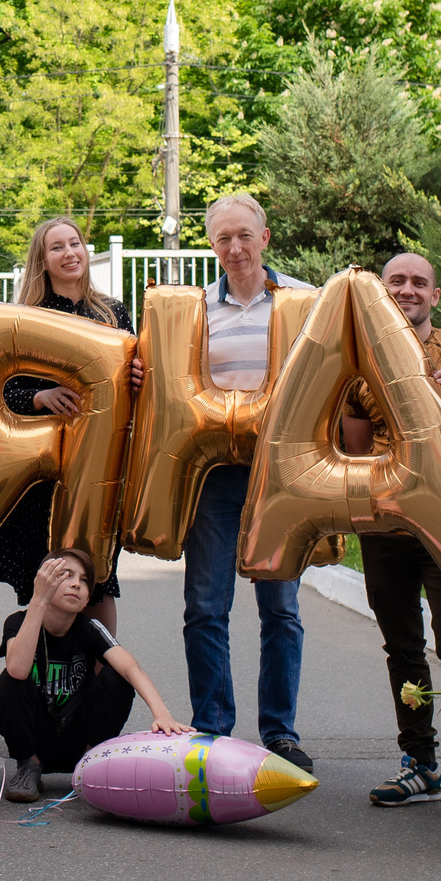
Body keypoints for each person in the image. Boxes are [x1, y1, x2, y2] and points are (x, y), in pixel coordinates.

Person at [126, 193, 315, 770]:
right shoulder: (195, 310)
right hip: (215, 474)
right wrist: (141, 370)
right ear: (211, 245)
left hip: (281, 476)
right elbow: (164, 378)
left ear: (264, 237)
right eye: (222, 238)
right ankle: (213, 727)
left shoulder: (302, 302)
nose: (234, 248)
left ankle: (280, 732)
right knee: (206, 606)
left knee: (280, 609)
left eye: (243, 236)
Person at [339, 251, 441, 820]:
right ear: (382, 293)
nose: (407, 289)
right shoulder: (359, 365)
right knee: (402, 646)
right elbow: (355, 453)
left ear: (435, 295)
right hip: (386, 524)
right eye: (396, 281)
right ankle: (420, 764)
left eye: (418, 283)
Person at [0, 217, 132, 629]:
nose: (69, 253)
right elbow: (0, 389)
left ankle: (101, 681)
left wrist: (138, 378)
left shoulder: (113, 312)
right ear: (42, 260)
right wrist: (40, 397)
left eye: (74, 243)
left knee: (97, 576)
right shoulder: (27, 317)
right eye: (56, 247)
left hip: (98, 466)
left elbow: (137, 380)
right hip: (44, 471)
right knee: (47, 576)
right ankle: (48, 683)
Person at [0, 548, 187, 802]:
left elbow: (131, 668)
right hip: (37, 736)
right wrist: (39, 601)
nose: (76, 583)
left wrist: (162, 714)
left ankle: (91, 765)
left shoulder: (90, 628)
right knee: (9, 681)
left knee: (118, 678)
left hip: (78, 736)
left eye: (84, 580)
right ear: (43, 582)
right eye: (66, 575)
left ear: (87, 599)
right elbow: (18, 668)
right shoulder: (17, 622)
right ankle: (28, 767)